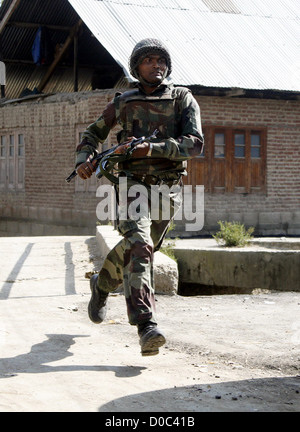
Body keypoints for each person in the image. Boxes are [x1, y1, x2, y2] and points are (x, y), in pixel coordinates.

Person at [75, 38, 204, 356]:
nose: (156, 65)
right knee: (141, 245)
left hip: (167, 189)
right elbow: (93, 134)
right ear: (136, 67)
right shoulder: (124, 102)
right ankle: (146, 325)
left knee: (142, 247)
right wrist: (84, 159)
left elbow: (195, 144)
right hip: (133, 187)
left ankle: (102, 284)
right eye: (148, 60)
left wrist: (153, 148)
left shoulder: (181, 99)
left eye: (161, 60)